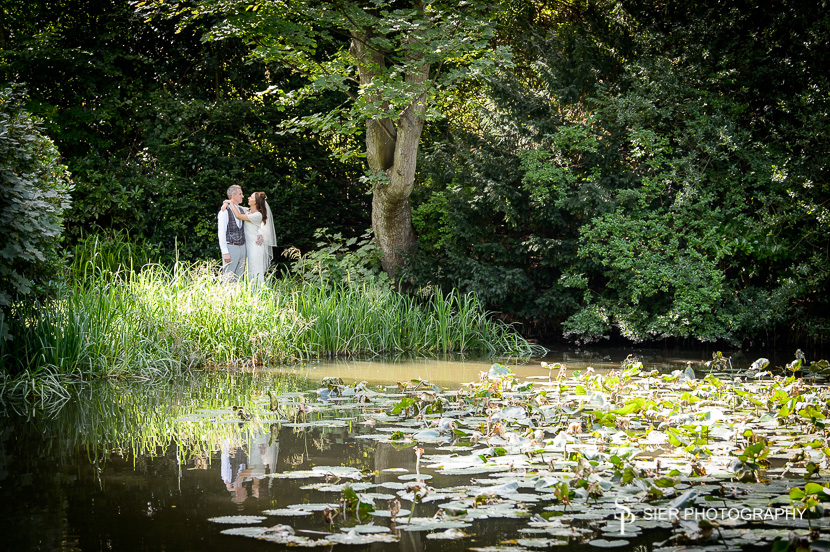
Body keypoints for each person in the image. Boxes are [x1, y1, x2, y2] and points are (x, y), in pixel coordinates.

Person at [223, 191, 276, 288]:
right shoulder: (247, 210)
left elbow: (238, 216)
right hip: (247, 246)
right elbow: (236, 207)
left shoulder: (257, 215)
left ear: (256, 202)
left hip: (255, 247)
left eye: (251, 197)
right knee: (248, 270)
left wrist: (230, 203)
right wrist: (227, 202)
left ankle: (258, 293)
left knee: (255, 270)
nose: (248, 198)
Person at [218, 185, 247, 282]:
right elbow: (221, 232)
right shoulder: (224, 211)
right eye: (240, 194)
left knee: (240, 277)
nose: (242, 196)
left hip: (242, 247)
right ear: (233, 195)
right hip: (231, 247)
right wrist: (225, 252)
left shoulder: (242, 209)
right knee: (228, 277)